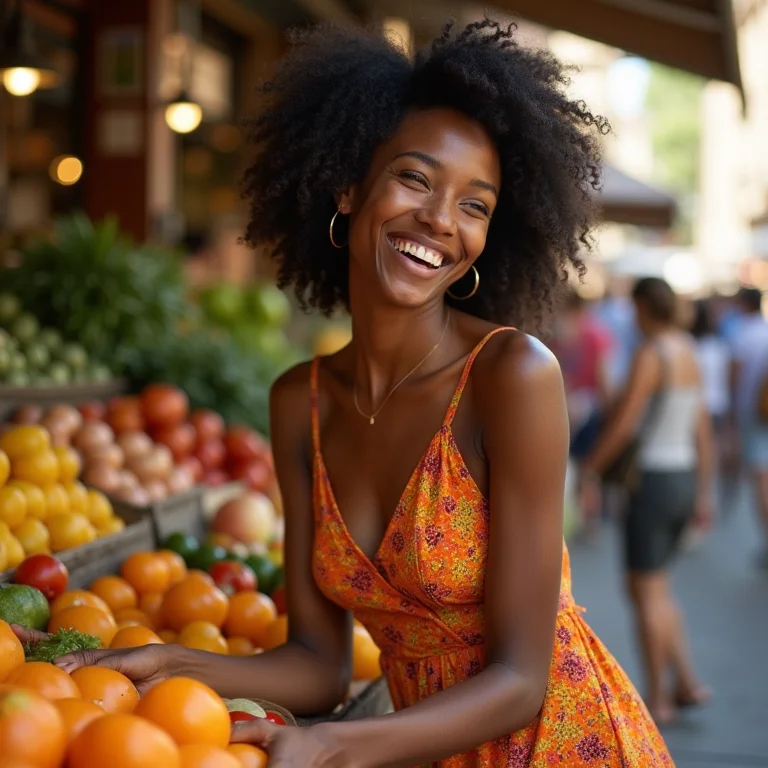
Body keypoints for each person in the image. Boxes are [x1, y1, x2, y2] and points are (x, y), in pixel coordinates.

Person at [16, 22, 673, 766]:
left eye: (475, 205)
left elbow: (522, 680)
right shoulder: (301, 402)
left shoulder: (511, 376)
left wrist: (332, 746)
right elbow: (317, 666)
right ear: (349, 186)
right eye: (415, 178)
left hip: (561, 741)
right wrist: (162, 662)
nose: (439, 220)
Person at [579, 277, 714, 726]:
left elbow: (623, 424)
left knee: (643, 591)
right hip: (682, 476)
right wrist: (705, 490)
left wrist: (590, 469)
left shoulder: (650, 353)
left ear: (641, 307)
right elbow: (702, 430)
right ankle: (686, 682)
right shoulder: (687, 350)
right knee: (658, 586)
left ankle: (658, 698)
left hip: (651, 482)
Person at [729, 286, 768, 565]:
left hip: (754, 415)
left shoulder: (742, 333)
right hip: (757, 412)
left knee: (761, 479)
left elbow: (735, 373)